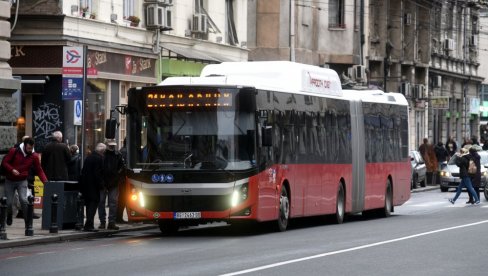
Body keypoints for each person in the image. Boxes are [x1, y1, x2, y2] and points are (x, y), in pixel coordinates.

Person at [1, 137, 48, 226]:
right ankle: (9, 215)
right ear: (24, 145)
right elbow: (5, 163)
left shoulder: (34, 156)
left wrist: (46, 182)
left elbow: (39, 170)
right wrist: (12, 170)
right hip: (10, 180)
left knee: (24, 200)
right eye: (28, 148)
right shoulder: (14, 151)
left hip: (22, 181)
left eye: (31, 148)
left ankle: (27, 222)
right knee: (9, 202)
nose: (30, 150)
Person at [98, 139, 124, 230]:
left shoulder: (118, 155)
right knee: (101, 202)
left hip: (113, 181)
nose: (112, 147)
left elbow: (121, 167)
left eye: (113, 145)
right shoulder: (102, 154)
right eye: (110, 145)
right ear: (106, 145)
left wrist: (117, 176)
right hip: (103, 182)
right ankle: (103, 222)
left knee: (113, 203)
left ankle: (111, 222)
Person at [79, 143, 106, 232]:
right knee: (93, 205)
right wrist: (101, 185)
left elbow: (83, 171)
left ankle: (88, 224)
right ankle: (89, 225)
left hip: (86, 185)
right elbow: (98, 174)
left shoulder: (89, 157)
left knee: (88, 204)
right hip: (94, 186)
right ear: (102, 151)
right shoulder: (99, 159)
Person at [116, 138, 128, 224]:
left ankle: (119, 217)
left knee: (121, 199)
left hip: (121, 178)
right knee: (123, 199)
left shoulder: (120, 151)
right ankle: (119, 217)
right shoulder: (128, 151)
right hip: (124, 178)